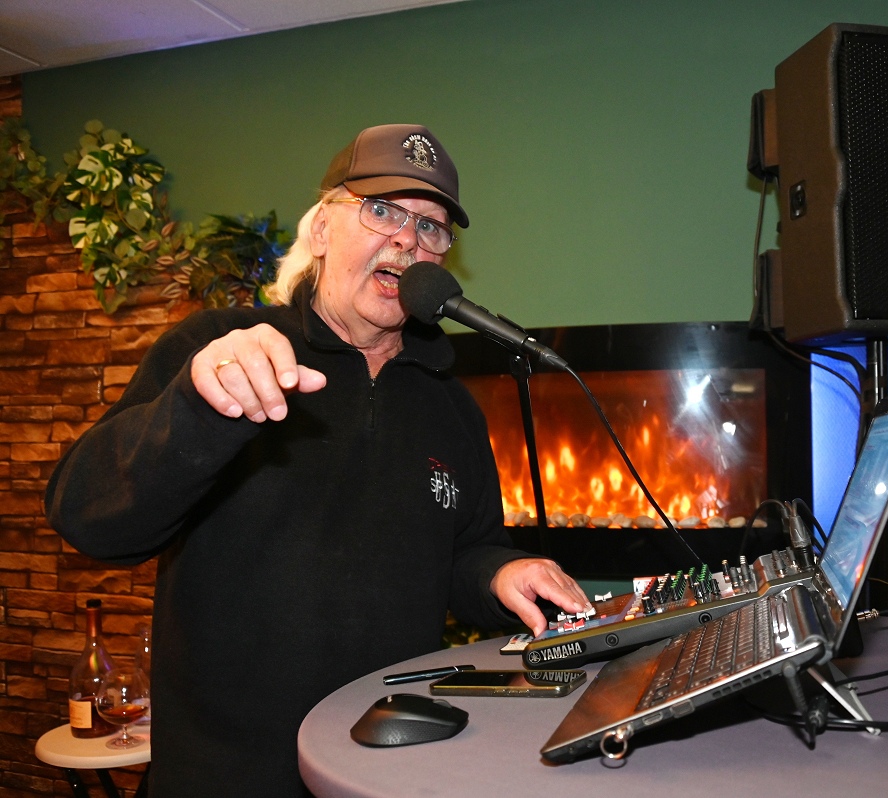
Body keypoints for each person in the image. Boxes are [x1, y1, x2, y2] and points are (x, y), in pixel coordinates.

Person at [45, 124, 592, 797]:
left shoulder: (451, 405)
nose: (407, 239)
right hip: (226, 777)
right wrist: (196, 405)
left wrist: (502, 571)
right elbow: (86, 517)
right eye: (382, 211)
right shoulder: (223, 351)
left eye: (431, 227)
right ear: (324, 230)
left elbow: (465, 552)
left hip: (384, 770)